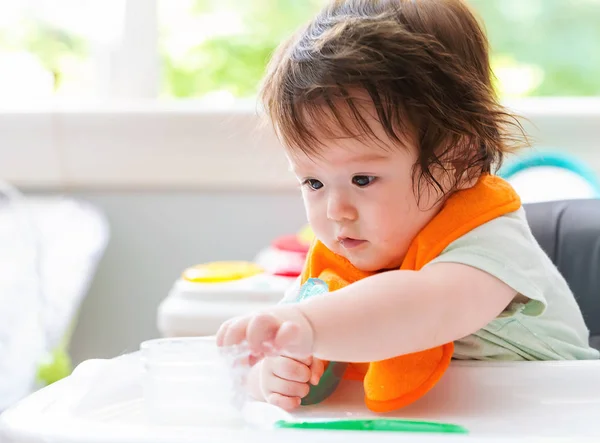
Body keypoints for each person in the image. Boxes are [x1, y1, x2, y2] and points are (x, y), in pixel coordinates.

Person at [217, 0, 599, 412]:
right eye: (313, 182)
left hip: (554, 415)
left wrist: (309, 324)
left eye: (362, 179)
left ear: (457, 158)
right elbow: (286, 355)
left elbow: (424, 306)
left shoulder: (490, 242)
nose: (335, 210)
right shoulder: (339, 262)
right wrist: (271, 372)